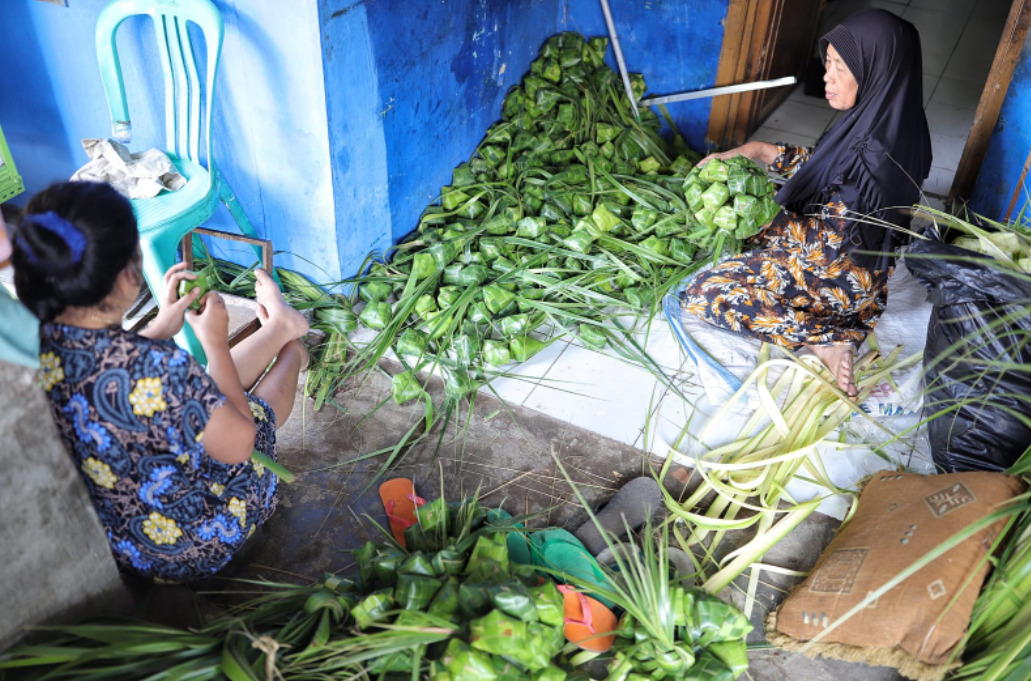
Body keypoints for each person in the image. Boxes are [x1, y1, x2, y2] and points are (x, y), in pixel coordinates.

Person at [10, 181, 310, 583]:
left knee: (195, 395)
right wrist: (214, 344)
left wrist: (161, 327)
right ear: (127, 277)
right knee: (240, 408)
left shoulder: (32, 350)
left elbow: (112, 366)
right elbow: (239, 444)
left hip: (132, 545)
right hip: (204, 542)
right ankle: (293, 350)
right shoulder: (163, 367)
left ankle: (280, 328)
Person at [680, 9, 932, 398]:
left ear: (874, 68)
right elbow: (832, 169)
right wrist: (761, 151)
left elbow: (826, 245)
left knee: (705, 291)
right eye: (827, 63)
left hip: (838, 277)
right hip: (870, 278)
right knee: (759, 241)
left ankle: (824, 339)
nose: (827, 77)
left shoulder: (875, 156)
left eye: (840, 67)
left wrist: (762, 217)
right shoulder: (891, 121)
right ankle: (843, 326)